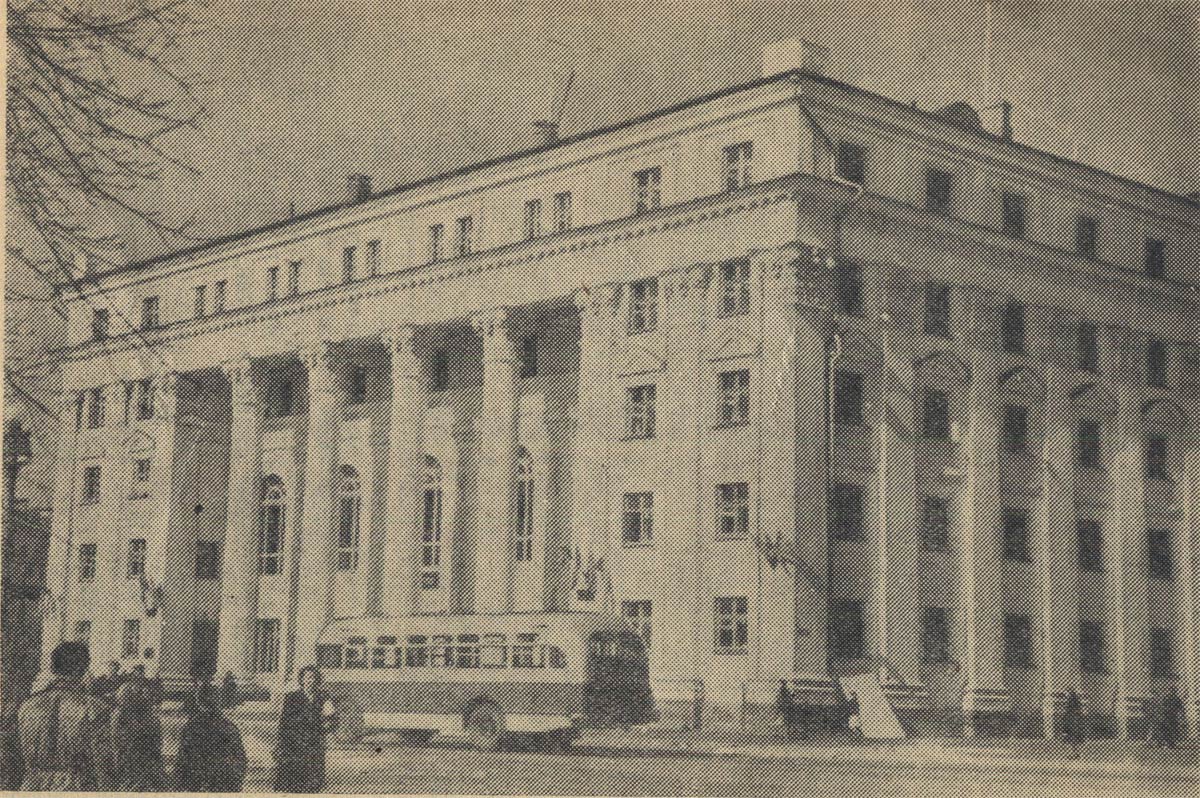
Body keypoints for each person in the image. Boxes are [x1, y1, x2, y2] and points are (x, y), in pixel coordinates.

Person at [2, 641, 115, 790]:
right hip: (77, 786)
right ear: (83, 669)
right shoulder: (96, 709)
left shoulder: (26, 706)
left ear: (52, 667)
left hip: (31, 786)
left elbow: (12, 757)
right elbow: (105, 764)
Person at [273, 665, 338, 793]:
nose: (310, 681)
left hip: (314, 740)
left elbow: (332, 717)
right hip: (294, 741)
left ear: (317, 680)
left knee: (314, 776)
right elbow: (284, 721)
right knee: (294, 776)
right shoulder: (292, 697)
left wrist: (327, 727)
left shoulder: (323, 696)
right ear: (302, 680)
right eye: (307, 678)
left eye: (313, 678)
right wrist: (282, 740)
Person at [172, 683, 247, 791]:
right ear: (220, 701)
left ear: (199, 702)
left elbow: (182, 760)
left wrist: (179, 786)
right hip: (223, 784)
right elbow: (241, 759)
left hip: (196, 784)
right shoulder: (230, 727)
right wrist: (235, 783)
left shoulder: (190, 727)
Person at [110, 677, 166, 790]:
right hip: (127, 749)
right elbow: (117, 735)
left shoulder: (141, 712)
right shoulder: (120, 713)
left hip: (140, 749)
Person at [1061, 689, 1085, 759]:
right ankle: (1076, 753)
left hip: (1072, 723)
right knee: (1074, 739)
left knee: (1072, 739)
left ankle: (1074, 754)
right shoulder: (1076, 706)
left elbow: (1066, 714)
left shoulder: (1070, 705)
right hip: (1075, 723)